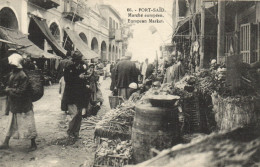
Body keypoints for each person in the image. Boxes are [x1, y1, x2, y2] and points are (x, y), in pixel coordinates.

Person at [0, 53, 37, 151]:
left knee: (28, 123)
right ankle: (6, 142)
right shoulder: (13, 73)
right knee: (11, 123)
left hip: (23, 104)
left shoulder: (22, 75)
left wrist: (9, 90)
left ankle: (33, 143)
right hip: (15, 103)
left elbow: (22, 91)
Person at [63, 51, 88, 139]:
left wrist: (85, 78)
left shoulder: (82, 67)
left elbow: (85, 79)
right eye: (78, 60)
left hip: (80, 94)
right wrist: (78, 77)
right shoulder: (69, 68)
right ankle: (70, 132)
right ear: (74, 60)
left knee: (79, 115)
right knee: (73, 114)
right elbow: (68, 81)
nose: (79, 62)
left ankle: (76, 133)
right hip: (71, 94)